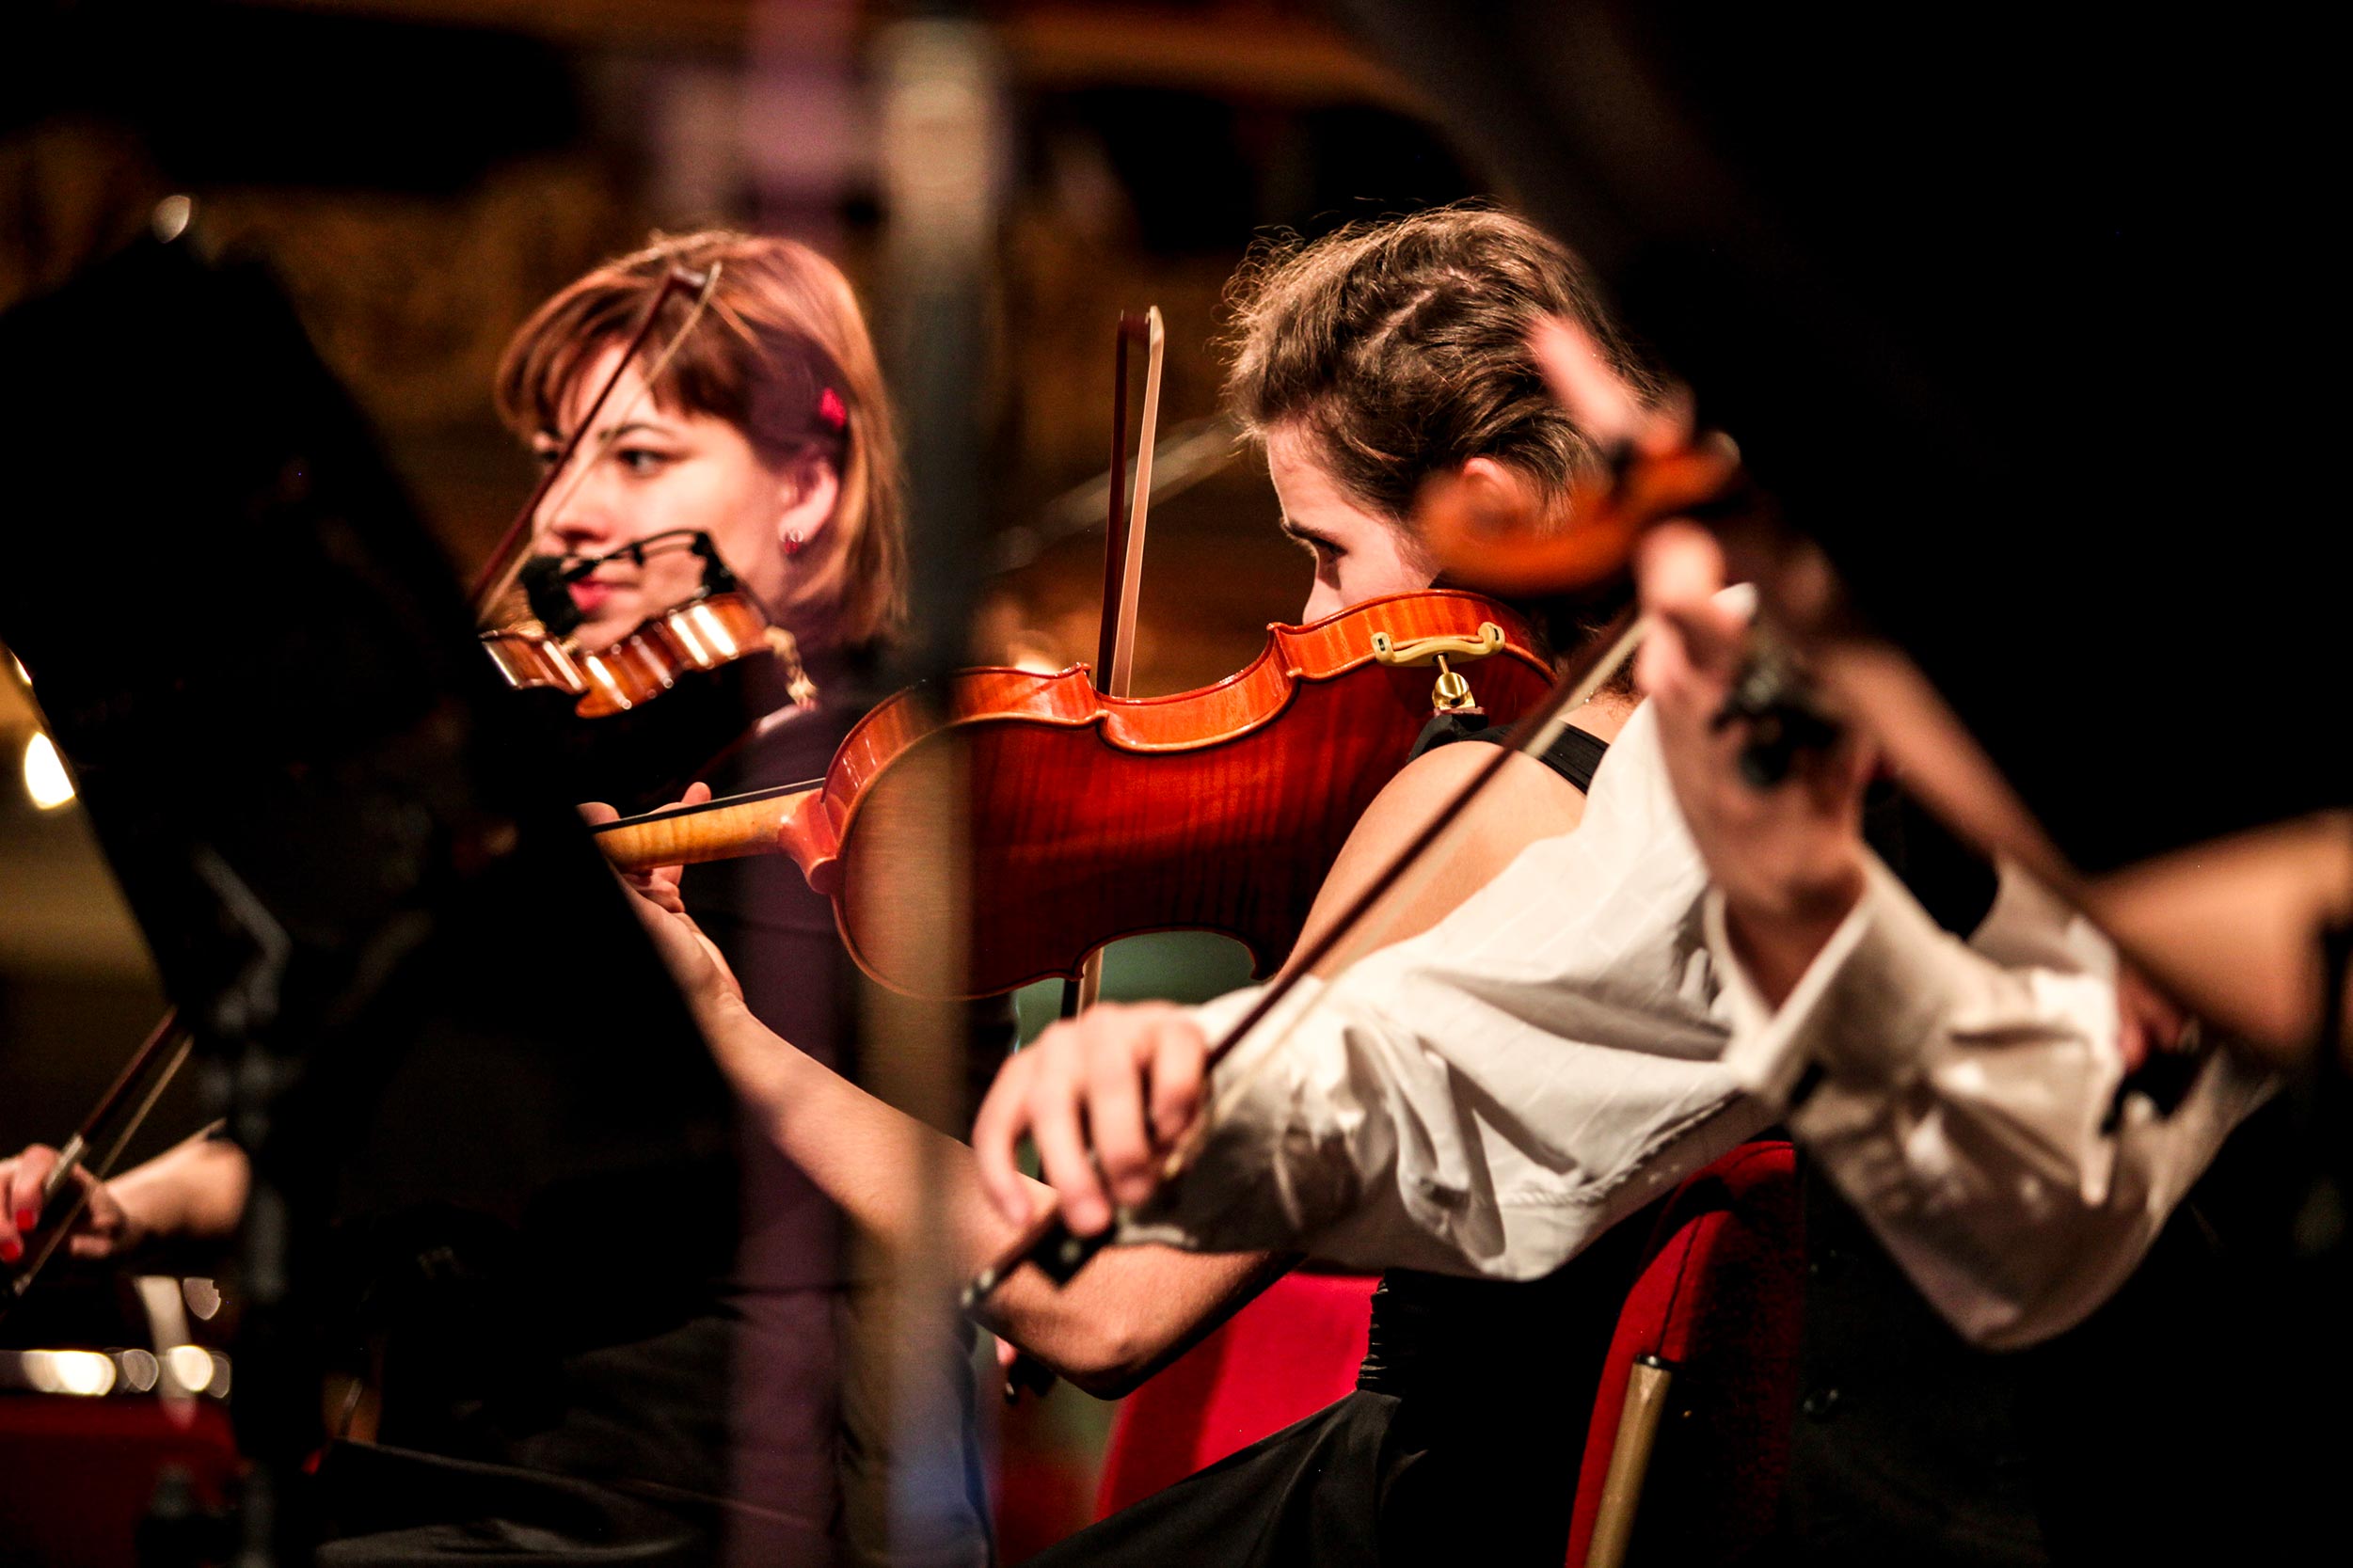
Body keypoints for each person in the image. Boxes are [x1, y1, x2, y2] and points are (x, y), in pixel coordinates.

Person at [970, 320, 2281, 1561]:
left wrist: (1808, 918)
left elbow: (2042, 1225)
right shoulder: (1756, 671)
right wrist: (1212, 1084)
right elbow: (1518, 1024)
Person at [614, 206, 1677, 1566]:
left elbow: (1106, 1303)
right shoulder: (1663, 772)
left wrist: (729, 1037)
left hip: (1418, 1518)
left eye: (1326, 552)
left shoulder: (1474, 802)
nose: (1298, 629)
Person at [3, 229, 972, 1568]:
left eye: (637, 456)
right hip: (445, 1438)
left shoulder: (894, 786)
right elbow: (380, 1100)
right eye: (550, 462)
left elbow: (956, 1206)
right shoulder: (573, 751)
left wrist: (711, 1018)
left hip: (687, 1483)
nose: (570, 510)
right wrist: (124, 1204)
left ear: (807, 483)